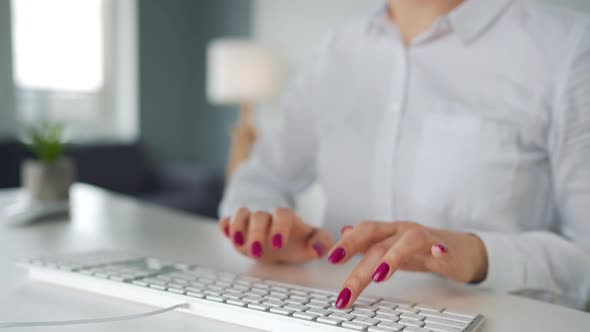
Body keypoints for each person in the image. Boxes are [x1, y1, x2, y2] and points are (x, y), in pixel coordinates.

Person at [218, 0, 590, 310]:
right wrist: (264, 227)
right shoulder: (336, 50)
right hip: (327, 314)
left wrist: (478, 255)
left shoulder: (568, 48)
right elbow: (260, 177)